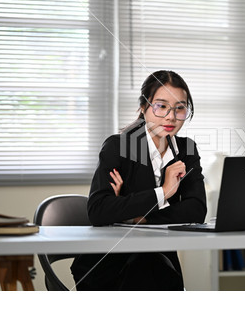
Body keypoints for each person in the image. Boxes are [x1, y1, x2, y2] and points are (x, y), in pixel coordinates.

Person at [70, 70, 207, 290]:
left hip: (159, 262)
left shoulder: (186, 149)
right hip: (110, 265)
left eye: (179, 108)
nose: (171, 117)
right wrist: (164, 192)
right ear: (144, 108)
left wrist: (137, 216)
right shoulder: (118, 146)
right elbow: (99, 210)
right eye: (161, 106)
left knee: (153, 270)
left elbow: (196, 210)